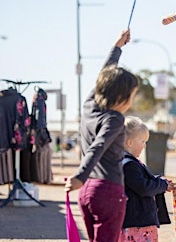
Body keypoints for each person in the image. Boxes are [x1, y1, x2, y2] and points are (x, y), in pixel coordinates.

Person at [64, 29, 139, 242]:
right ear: (122, 96)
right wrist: (79, 175)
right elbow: (98, 146)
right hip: (108, 190)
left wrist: (117, 47)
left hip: (87, 192)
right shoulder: (114, 118)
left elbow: (103, 76)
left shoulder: (88, 106)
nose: (132, 101)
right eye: (132, 96)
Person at [119, 116, 176, 242]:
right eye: (143, 141)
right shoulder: (129, 164)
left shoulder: (129, 162)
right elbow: (144, 188)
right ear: (129, 142)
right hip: (137, 225)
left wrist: (161, 182)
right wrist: (162, 185)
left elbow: (141, 181)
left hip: (137, 223)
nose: (145, 146)